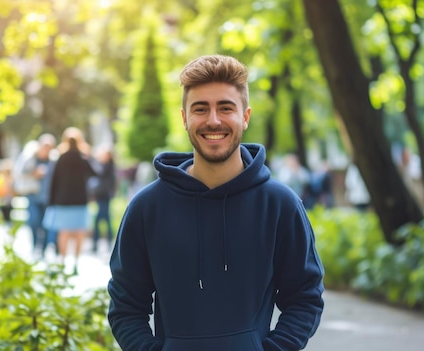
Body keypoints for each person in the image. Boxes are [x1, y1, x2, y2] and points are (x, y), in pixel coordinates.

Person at [107, 54, 324, 350]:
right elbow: (126, 307)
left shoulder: (280, 205)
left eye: (225, 108)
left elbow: (305, 297)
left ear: (245, 117)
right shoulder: (147, 208)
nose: (213, 120)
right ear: (184, 118)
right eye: (200, 109)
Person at [43, 127, 97, 271]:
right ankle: (76, 263)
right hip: (80, 200)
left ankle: (62, 260)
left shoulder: (60, 158)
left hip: (63, 200)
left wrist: (51, 202)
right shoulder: (83, 158)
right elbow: (94, 174)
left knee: (64, 233)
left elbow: (53, 181)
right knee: (80, 232)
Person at [13, 134, 56, 258]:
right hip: (32, 194)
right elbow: (18, 173)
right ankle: (34, 245)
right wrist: (34, 173)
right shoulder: (29, 157)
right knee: (34, 220)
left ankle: (43, 248)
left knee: (46, 223)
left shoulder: (53, 160)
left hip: (47, 196)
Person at [90, 145, 117, 253]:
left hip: (105, 196)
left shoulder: (108, 167)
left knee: (103, 218)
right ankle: (98, 243)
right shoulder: (101, 165)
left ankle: (104, 242)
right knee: (101, 219)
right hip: (100, 195)